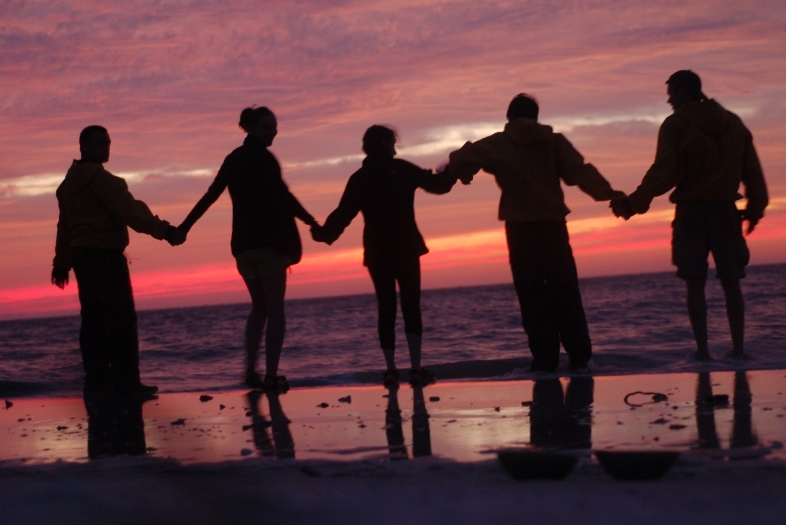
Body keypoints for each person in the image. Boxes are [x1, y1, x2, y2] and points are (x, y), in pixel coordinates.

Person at [447, 94, 625, 373]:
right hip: (552, 225)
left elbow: (460, 156)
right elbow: (580, 172)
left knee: (532, 296)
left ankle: (545, 361)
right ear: (536, 116)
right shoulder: (553, 142)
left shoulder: (498, 143)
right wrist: (610, 195)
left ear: (509, 117)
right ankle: (579, 358)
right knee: (565, 291)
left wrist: (463, 173)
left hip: (520, 229)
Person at [611, 70, 768, 361]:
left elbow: (663, 173)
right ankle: (738, 350)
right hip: (725, 212)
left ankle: (704, 352)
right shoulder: (733, 123)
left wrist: (633, 204)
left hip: (692, 214)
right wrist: (756, 210)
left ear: (684, 92)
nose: (669, 99)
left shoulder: (676, 125)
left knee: (695, 285)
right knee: (731, 284)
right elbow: (753, 173)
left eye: (672, 92)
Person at [177, 106, 318, 390]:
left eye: (275, 126)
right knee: (275, 310)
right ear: (251, 128)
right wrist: (313, 222)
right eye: (267, 127)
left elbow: (210, 196)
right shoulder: (264, 159)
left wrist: (184, 227)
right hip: (268, 245)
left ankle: (251, 371)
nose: (273, 131)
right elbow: (283, 197)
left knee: (260, 308)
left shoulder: (232, 159)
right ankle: (270, 375)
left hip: (242, 247)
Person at [313, 125, 456, 386]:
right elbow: (438, 186)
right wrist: (452, 168)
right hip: (406, 247)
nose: (395, 147)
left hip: (377, 251)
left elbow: (343, 214)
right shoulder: (401, 169)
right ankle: (415, 369)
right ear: (385, 144)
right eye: (392, 142)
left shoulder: (361, 177)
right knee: (411, 306)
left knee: (386, 308)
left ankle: (391, 370)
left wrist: (323, 234)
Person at [52, 125, 183, 396]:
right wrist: (166, 231)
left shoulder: (66, 187)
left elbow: (64, 228)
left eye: (108, 143)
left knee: (93, 319)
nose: (106, 148)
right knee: (121, 320)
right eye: (100, 143)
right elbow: (131, 212)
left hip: (82, 258)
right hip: (104, 256)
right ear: (84, 147)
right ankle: (126, 383)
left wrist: (62, 263)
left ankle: (97, 380)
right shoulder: (104, 181)